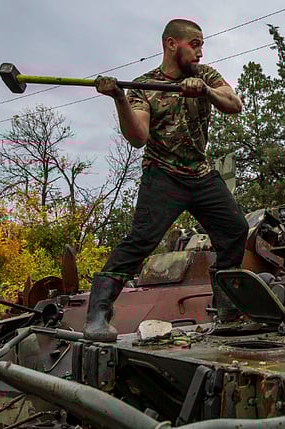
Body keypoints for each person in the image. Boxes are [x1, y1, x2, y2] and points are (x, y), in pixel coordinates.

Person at [86, 18, 246, 342]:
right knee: (141, 241)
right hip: (163, 176)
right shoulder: (145, 86)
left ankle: (227, 313)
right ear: (172, 45)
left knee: (235, 229)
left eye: (202, 45)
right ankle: (98, 315)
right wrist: (119, 97)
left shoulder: (204, 75)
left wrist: (207, 92)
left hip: (199, 174)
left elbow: (234, 104)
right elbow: (138, 136)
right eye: (195, 45)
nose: (201, 52)